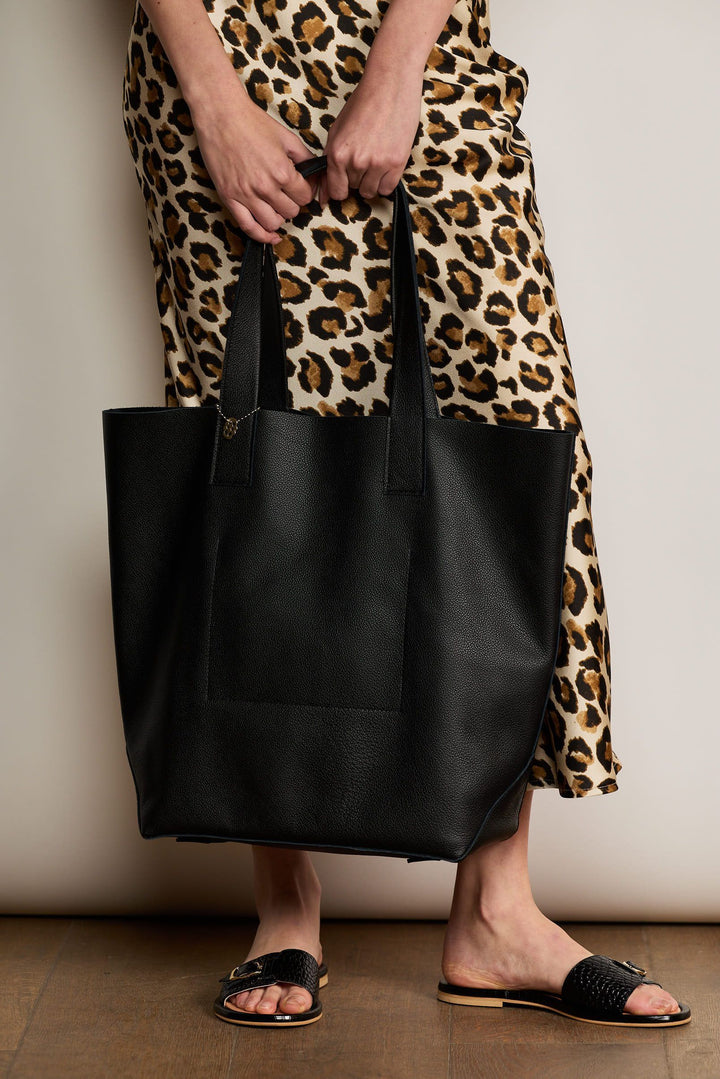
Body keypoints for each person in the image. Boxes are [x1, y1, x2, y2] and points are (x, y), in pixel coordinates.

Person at [121, 0, 689, 1027]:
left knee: (511, 440)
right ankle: (284, 904)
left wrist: (397, 70)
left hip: (425, 60)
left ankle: (496, 913)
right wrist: (212, 95)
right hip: (221, 58)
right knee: (256, 459)